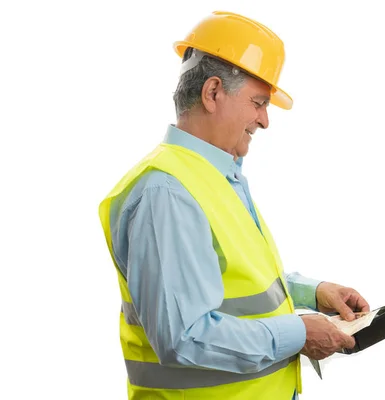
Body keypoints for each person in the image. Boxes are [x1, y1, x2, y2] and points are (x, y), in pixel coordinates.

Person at [98, 10, 370, 400]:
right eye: (259, 103)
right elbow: (184, 337)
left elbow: (224, 280)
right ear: (212, 93)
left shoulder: (215, 176)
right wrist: (299, 333)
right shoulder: (167, 193)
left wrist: (314, 293)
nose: (264, 120)